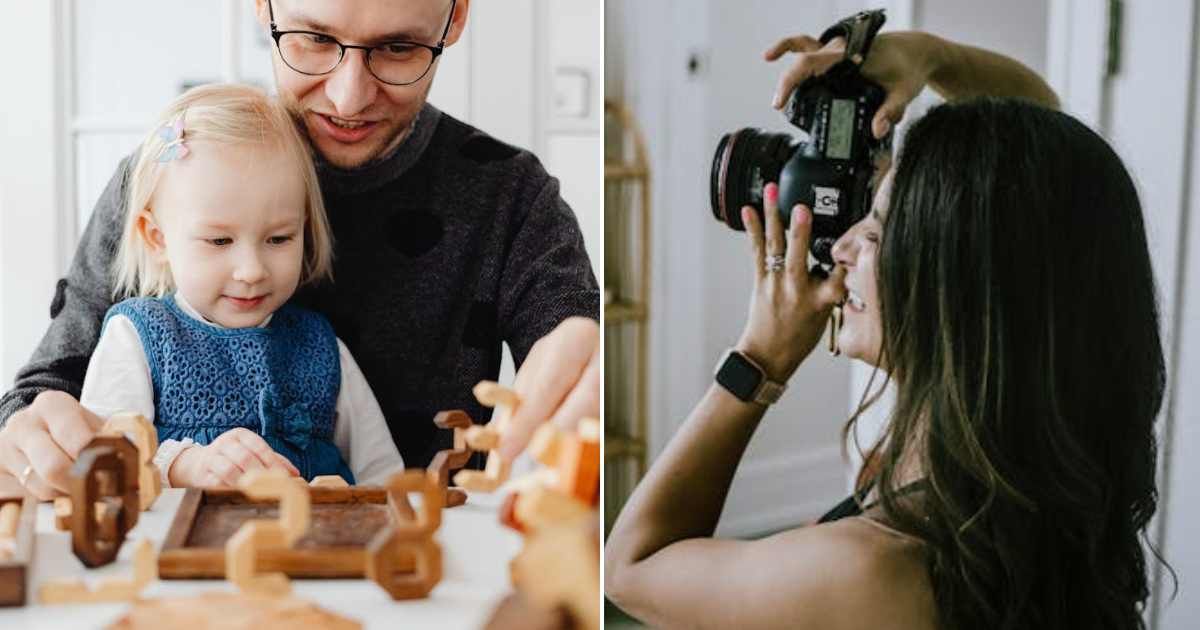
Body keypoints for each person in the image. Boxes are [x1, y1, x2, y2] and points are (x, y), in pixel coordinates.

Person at [605, 29, 1167, 630]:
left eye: (875, 229)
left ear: (957, 289)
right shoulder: (1039, 479)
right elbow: (1040, 175)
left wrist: (760, 358)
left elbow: (629, 570)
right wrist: (932, 57)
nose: (841, 247)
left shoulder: (869, 570)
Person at [0, 0, 599, 499]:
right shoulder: (169, 174)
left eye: (398, 48)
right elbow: (41, 396)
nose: (348, 97)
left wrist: (600, 362)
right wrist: (33, 437)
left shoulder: (509, 194)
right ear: (263, 7)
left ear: (455, 18)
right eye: (314, 39)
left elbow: (581, 341)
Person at [82, 83, 403, 490]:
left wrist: (355, 505)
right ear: (157, 239)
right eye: (219, 241)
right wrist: (183, 465)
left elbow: (383, 474)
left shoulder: (321, 347)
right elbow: (104, 462)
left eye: (279, 239)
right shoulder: (139, 337)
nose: (251, 271)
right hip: (189, 531)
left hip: (315, 531)